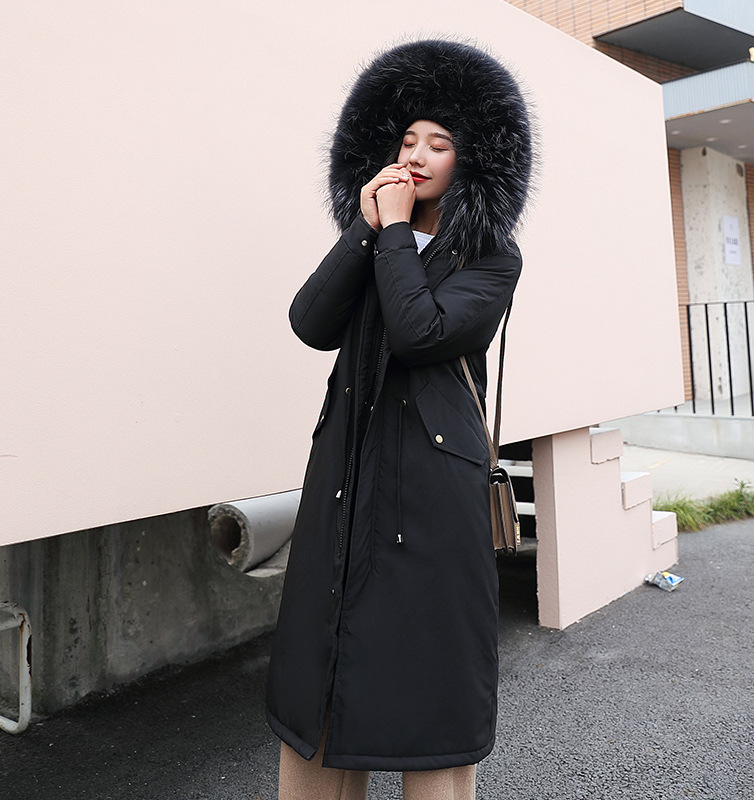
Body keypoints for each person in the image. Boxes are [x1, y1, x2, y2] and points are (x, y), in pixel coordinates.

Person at [266, 39, 536, 800]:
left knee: (430, 671)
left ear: (470, 160)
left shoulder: (493, 257)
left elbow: (420, 332)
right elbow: (310, 322)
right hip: (345, 472)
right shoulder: (374, 235)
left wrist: (392, 233)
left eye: (438, 143)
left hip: (432, 486)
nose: (416, 155)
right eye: (408, 139)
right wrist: (364, 230)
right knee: (324, 663)